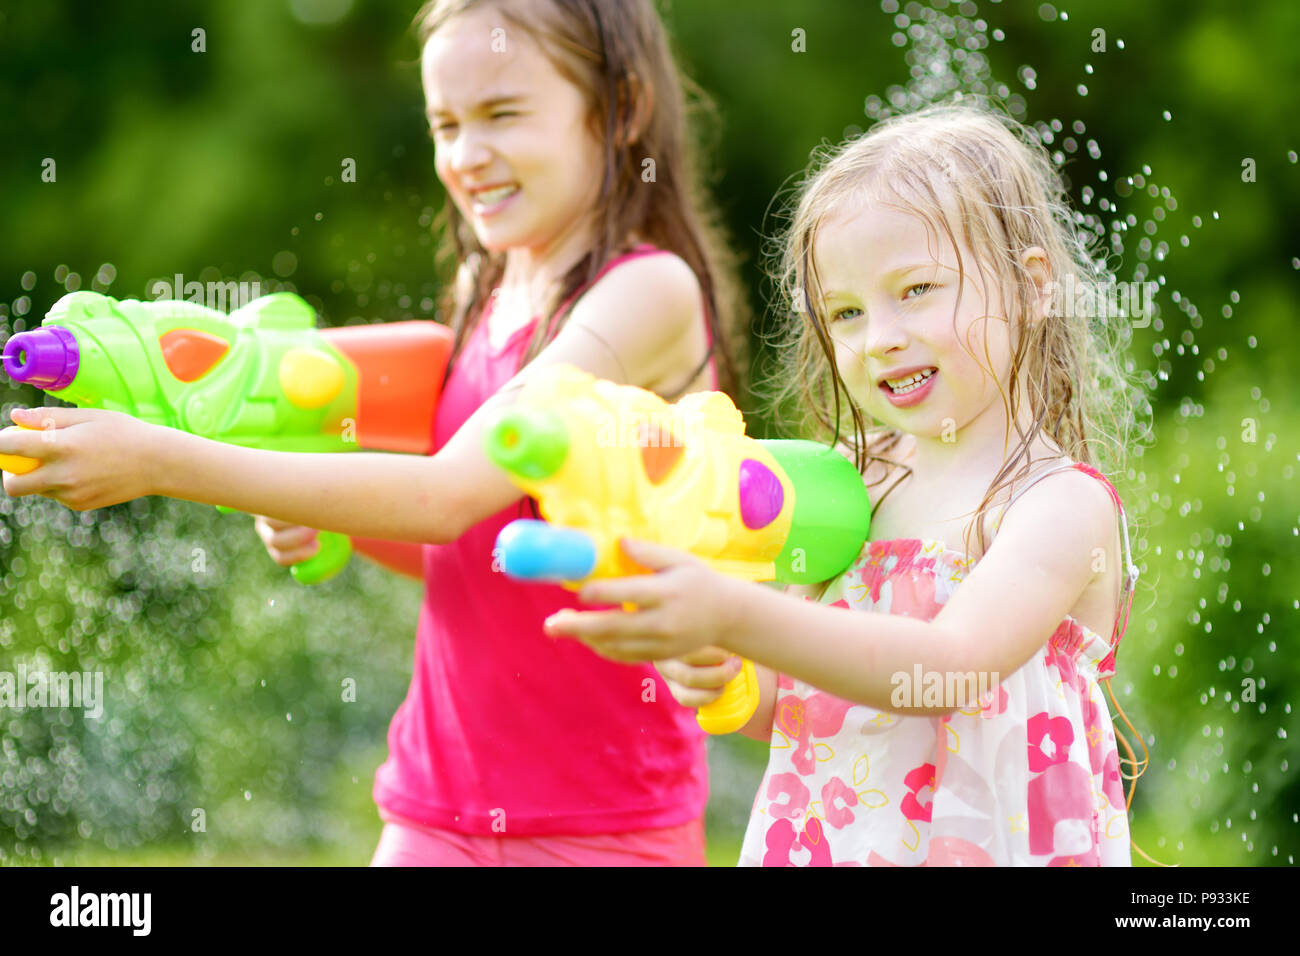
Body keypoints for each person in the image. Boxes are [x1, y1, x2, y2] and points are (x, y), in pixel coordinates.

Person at [1, 0, 746, 866]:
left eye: (503, 114)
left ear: (623, 109)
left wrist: (163, 462)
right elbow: (476, 544)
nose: (468, 155)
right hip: (437, 806)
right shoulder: (490, 289)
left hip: (608, 822)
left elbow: (442, 497)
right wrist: (340, 514)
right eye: (445, 124)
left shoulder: (643, 296)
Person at [543, 103, 1152, 866]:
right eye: (847, 312)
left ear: (1032, 288)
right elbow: (799, 698)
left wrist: (734, 610)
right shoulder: (854, 485)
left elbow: (945, 670)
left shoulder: (1060, 505)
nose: (881, 336)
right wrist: (726, 671)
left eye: (918, 289)